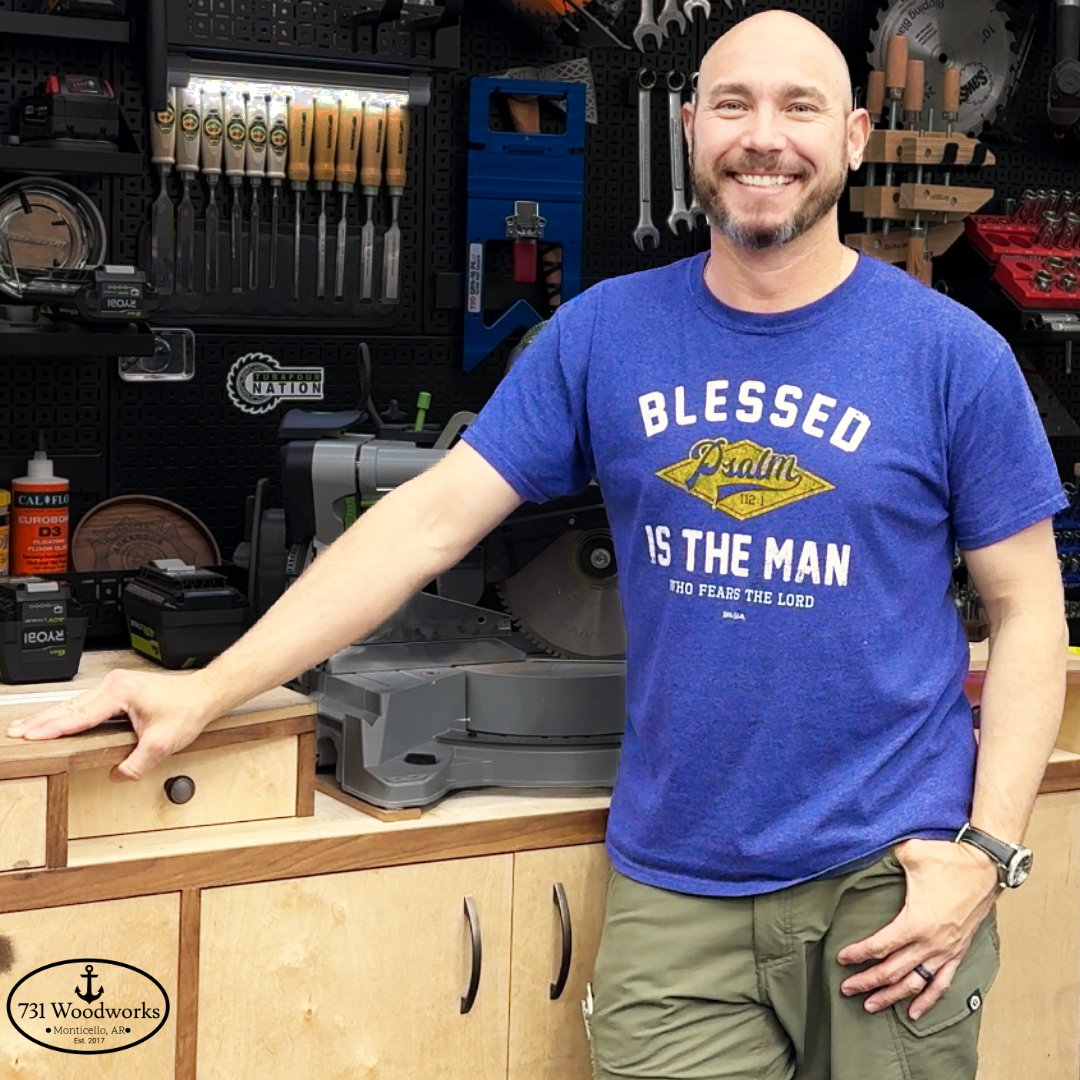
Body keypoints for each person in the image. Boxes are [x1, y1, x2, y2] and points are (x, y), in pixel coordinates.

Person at [8, 9, 1067, 1079]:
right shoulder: (605, 333)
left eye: (801, 107)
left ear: (853, 136)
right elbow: (421, 524)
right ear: (691, 127)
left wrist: (985, 852)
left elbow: (1028, 611)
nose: (765, 136)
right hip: (677, 881)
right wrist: (207, 687)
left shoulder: (949, 356)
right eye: (735, 104)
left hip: (888, 876)